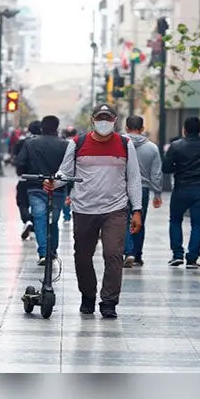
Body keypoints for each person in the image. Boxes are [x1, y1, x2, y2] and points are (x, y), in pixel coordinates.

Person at [51, 104, 142, 318]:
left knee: (113, 254)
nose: (104, 122)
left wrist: (137, 209)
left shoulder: (125, 144)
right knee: (82, 256)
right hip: (84, 209)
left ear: (115, 120)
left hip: (115, 209)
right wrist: (52, 183)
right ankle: (88, 295)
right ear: (93, 120)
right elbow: (64, 172)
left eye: (107, 118)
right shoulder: (77, 143)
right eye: (100, 118)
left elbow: (134, 179)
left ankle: (109, 301)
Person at [162, 116, 200, 268]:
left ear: (184, 130)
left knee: (175, 220)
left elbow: (166, 168)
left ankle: (177, 254)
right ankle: (192, 258)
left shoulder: (176, 146)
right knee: (197, 225)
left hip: (181, 189)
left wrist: (179, 168)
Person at [16, 115, 70, 265]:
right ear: (57, 128)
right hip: (57, 188)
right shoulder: (65, 145)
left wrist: (27, 174)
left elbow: (20, 163)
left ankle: (43, 253)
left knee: (40, 218)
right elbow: (71, 168)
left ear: (42, 128)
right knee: (53, 220)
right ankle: (52, 250)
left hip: (35, 186)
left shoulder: (30, 143)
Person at [122, 115, 163, 267]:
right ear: (143, 129)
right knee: (139, 221)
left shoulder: (120, 144)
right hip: (143, 189)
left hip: (122, 188)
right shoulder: (152, 148)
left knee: (123, 221)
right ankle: (137, 254)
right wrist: (157, 193)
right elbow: (156, 173)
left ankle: (128, 252)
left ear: (126, 128)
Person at [13, 120, 42, 240]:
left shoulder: (22, 142)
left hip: (25, 178)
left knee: (22, 202)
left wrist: (20, 172)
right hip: (41, 179)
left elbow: (17, 158)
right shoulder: (44, 143)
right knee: (39, 204)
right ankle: (34, 223)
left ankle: (27, 220)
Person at [61, 126, 79, 223]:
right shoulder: (78, 143)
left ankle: (66, 215)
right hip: (76, 173)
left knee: (65, 193)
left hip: (66, 172)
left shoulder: (63, 143)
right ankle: (74, 212)